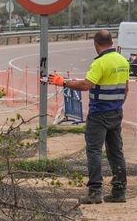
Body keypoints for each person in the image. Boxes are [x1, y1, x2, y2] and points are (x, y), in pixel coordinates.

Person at [46, 29, 130, 204]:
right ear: (111, 42)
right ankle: (119, 191)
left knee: (94, 151)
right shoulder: (123, 61)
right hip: (116, 112)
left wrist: (63, 82)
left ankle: (95, 192)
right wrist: (117, 105)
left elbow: (86, 85)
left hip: (99, 114)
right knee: (116, 151)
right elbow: (126, 88)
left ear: (96, 43)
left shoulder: (99, 63)